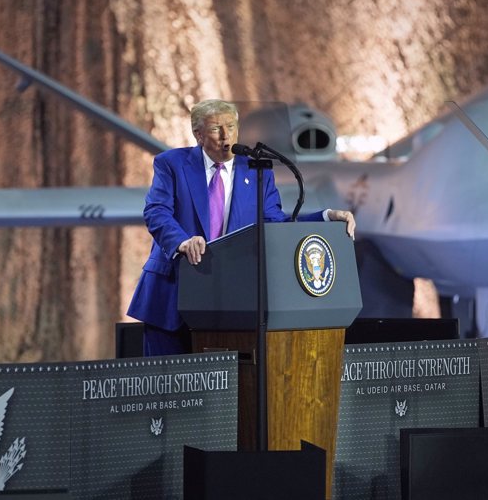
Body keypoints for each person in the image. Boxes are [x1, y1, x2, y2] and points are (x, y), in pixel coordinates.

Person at [126, 99, 356, 356]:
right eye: (216, 129)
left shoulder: (256, 171)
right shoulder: (172, 164)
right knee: (166, 388)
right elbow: (157, 212)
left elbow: (275, 225)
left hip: (227, 301)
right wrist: (182, 242)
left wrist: (325, 218)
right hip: (172, 296)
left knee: (219, 391)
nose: (226, 136)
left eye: (232, 127)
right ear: (198, 135)